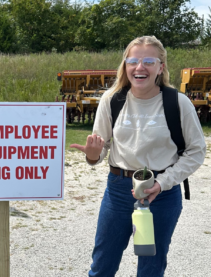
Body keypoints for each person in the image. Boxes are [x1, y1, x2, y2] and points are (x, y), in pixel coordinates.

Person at [70, 36, 206, 277]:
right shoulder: (112, 100)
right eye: (132, 61)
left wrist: (162, 183)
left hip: (162, 194)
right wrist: (93, 155)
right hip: (119, 191)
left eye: (148, 61)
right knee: (102, 265)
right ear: (125, 65)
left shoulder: (178, 103)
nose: (139, 67)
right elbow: (100, 149)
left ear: (161, 67)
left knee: (151, 268)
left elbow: (196, 151)